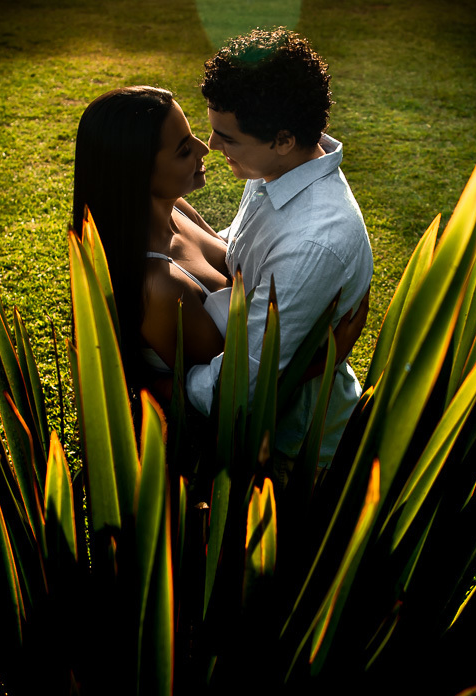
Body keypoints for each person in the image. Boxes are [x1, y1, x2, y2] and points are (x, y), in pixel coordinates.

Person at [186, 28, 374, 467]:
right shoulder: (275, 170)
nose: (211, 145)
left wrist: (157, 379)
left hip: (293, 454)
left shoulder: (313, 243)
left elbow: (239, 389)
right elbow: (240, 250)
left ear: (284, 140)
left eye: (228, 137)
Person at [72, 86, 231, 384]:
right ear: (138, 172)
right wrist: (324, 357)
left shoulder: (176, 208)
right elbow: (234, 387)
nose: (203, 148)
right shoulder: (161, 288)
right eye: (184, 150)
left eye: (191, 137)